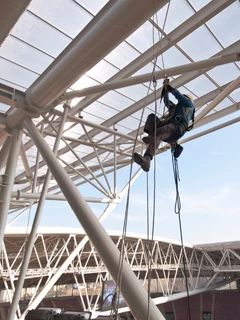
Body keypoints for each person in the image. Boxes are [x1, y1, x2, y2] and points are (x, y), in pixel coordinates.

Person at [133, 81, 195, 172]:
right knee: (151, 118)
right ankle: (152, 137)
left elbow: (178, 96)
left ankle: (147, 159)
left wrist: (170, 88)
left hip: (176, 128)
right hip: (169, 128)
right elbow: (166, 102)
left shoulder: (190, 104)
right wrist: (165, 90)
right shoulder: (176, 108)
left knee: (158, 133)